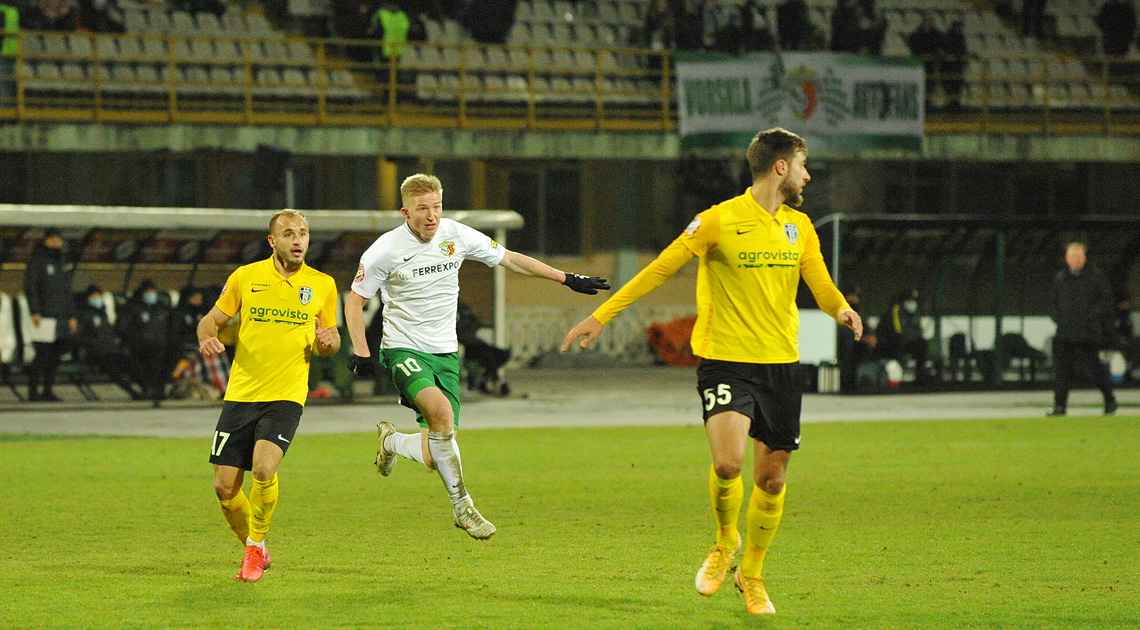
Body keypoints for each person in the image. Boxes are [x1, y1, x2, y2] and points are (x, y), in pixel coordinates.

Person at [561, 128, 862, 615]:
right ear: (780, 167)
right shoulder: (718, 220)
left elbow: (820, 284)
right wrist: (601, 315)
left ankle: (752, 573)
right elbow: (660, 268)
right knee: (728, 465)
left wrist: (841, 309)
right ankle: (726, 541)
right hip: (726, 360)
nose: (807, 175)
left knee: (772, 481)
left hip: (782, 364)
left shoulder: (800, 227)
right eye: (802, 165)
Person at [344, 173, 609, 541]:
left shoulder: (455, 234)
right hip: (403, 349)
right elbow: (355, 302)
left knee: (436, 451)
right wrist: (361, 351)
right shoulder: (384, 250)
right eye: (422, 209)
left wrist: (566, 278)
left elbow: (510, 260)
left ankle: (391, 442)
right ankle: (463, 508)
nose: (432, 216)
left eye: (437, 207)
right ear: (406, 212)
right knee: (441, 414)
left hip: (445, 353)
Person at [198, 209, 340, 582]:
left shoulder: (323, 284)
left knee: (263, 468)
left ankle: (253, 550)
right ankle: (256, 547)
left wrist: (328, 341)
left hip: (287, 394)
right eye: (289, 233)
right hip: (241, 393)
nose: (298, 240)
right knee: (224, 487)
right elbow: (209, 320)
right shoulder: (246, 277)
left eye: (303, 233)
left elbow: (331, 340)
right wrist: (207, 337)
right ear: (272, 241)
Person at [1047, 242, 1116, 416]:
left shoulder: (1096, 276)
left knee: (1096, 369)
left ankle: (1110, 401)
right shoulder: (1060, 278)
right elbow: (1052, 303)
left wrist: (1091, 317)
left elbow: (1106, 301)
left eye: (1078, 256)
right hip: (1065, 332)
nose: (1075, 260)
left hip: (1088, 332)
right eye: (1072, 256)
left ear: (1084, 258)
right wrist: (1058, 319)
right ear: (1067, 258)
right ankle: (1059, 406)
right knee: (1062, 372)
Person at [23, 228, 77, 402]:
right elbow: (31, 287)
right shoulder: (37, 260)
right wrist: (35, 311)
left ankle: (47, 389)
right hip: (44, 316)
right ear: (46, 240)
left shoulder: (62, 262)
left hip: (61, 316)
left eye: (59, 239)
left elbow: (67, 291)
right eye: (53, 239)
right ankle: (33, 391)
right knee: (42, 355)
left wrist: (71, 315)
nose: (56, 242)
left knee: (55, 356)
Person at [75, 284, 143, 400]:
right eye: (94, 296)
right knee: (112, 367)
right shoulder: (84, 315)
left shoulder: (104, 314)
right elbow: (79, 336)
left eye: (98, 296)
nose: (97, 298)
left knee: (132, 363)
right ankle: (132, 391)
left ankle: (147, 389)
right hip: (96, 353)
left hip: (112, 350)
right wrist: (93, 343)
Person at [116, 279, 171, 403]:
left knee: (160, 366)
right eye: (148, 292)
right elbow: (122, 327)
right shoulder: (132, 308)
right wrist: (135, 339)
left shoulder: (160, 308)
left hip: (158, 345)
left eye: (153, 291)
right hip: (139, 347)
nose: (151, 295)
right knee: (141, 367)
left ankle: (157, 390)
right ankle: (147, 389)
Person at [874, 288, 931, 383]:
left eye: (914, 301)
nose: (912, 303)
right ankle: (899, 373)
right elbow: (896, 331)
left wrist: (914, 338)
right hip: (889, 344)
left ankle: (921, 374)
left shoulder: (916, 313)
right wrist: (911, 337)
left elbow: (919, 331)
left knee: (922, 343)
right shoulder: (895, 310)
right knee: (899, 341)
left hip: (907, 342)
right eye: (910, 300)